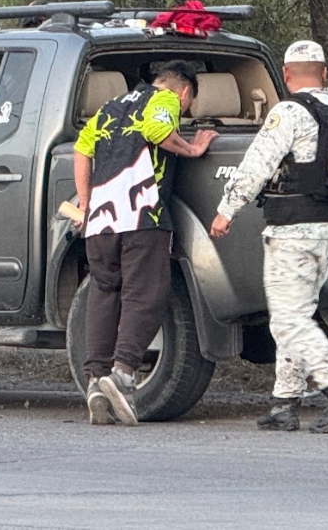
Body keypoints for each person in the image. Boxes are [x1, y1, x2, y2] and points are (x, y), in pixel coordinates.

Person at [208, 40, 328, 433]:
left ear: (285, 75)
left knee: (289, 319)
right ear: (325, 74)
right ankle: (285, 402)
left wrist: (226, 210)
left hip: (293, 232)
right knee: (298, 315)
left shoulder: (289, 113)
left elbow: (257, 163)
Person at [74, 61, 218, 425]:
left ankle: (95, 379)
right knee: (146, 294)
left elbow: (81, 148)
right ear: (183, 92)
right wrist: (191, 149)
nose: (182, 113)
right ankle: (122, 375)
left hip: (101, 221)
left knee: (105, 291)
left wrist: (85, 200)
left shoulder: (111, 107)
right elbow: (156, 130)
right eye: (186, 108)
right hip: (143, 217)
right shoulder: (164, 99)